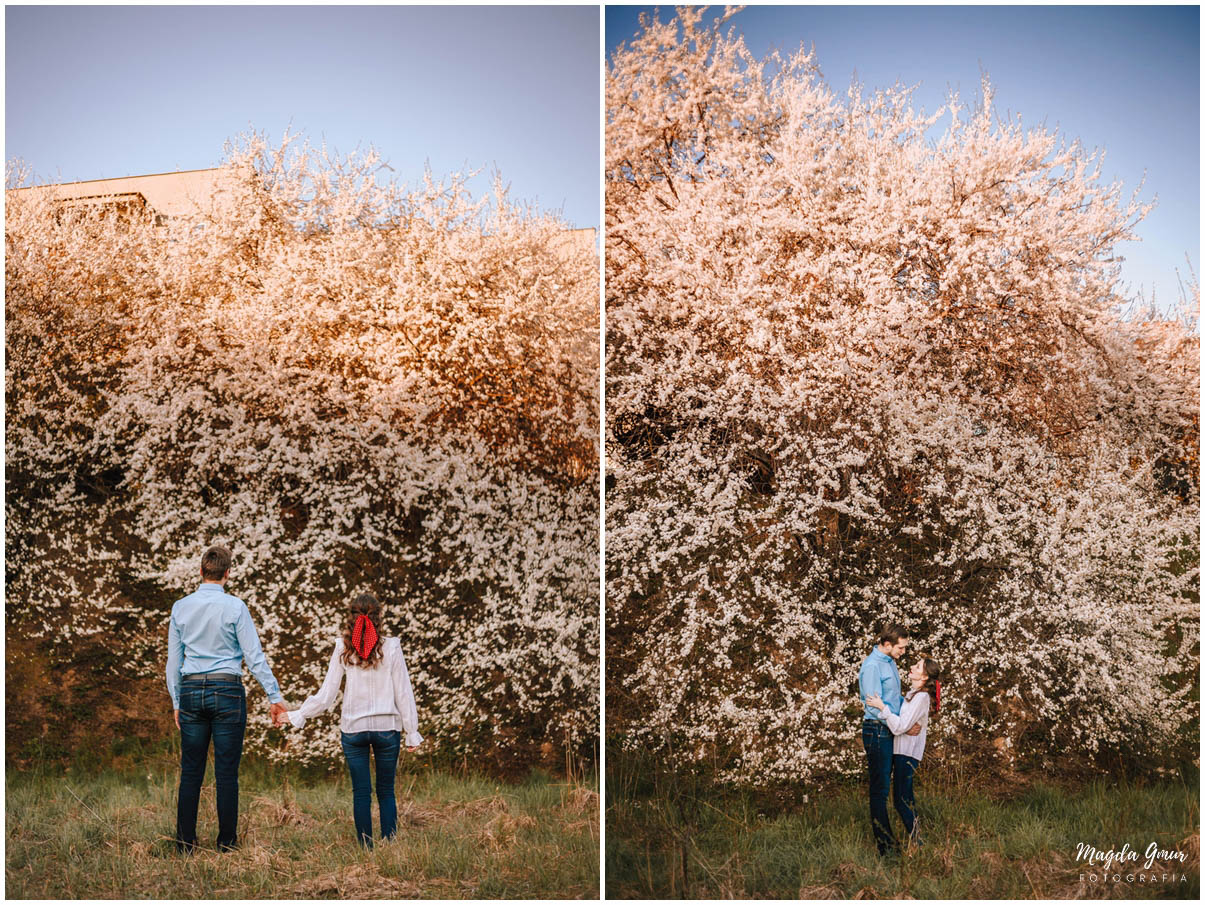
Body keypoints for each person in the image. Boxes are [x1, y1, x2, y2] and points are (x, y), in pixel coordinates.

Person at [277, 591, 423, 849]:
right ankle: (389, 846)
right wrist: (411, 731)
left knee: (361, 793)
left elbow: (326, 696)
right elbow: (403, 691)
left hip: (353, 730)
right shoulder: (392, 646)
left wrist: (297, 714)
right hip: (387, 728)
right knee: (386, 791)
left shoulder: (342, 647)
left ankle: (366, 847)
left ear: (351, 617)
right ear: (379, 618)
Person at [166, 545, 287, 853]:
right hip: (227, 690)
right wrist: (274, 695)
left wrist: (177, 701)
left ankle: (184, 844)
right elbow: (254, 656)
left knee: (191, 770)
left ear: (201, 571)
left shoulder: (180, 607)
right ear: (227, 574)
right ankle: (227, 843)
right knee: (226, 772)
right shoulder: (236, 607)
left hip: (191, 690)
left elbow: (173, 662)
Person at [856, 624, 921, 857]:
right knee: (880, 790)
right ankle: (886, 847)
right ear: (886, 644)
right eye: (901, 647)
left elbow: (893, 699)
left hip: (890, 728)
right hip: (877, 731)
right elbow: (873, 707)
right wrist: (900, 725)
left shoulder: (890, 662)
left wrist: (908, 718)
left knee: (897, 787)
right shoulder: (872, 666)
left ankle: (909, 839)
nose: (904, 652)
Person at [867, 657, 941, 849]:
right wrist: (902, 726)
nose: (911, 667)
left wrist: (881, 706)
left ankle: (918, 843)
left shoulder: (921, 698)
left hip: (907, 754)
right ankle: (918, 841)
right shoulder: (913, 695)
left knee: (901, 800)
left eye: (917, 666)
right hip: (902, 752)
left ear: (924, 676)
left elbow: (899, 727)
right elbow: (902, 724)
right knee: (904, 798)